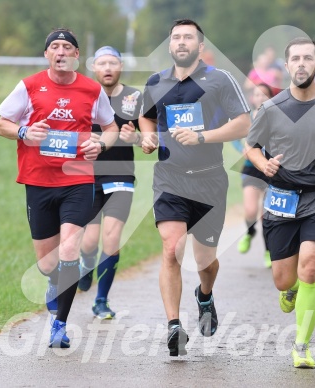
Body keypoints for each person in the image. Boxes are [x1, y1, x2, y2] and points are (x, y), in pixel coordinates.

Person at [0, 28, 119, 348]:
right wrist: (23, 132)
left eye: (67, 47)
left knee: (68, 250)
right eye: (55, 47)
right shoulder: (29, 86)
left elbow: (111, 128)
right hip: (38, 180)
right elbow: (1, 124)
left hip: (77, 178)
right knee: (47, 262)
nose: (61, 51)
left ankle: (59, 326)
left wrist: (100, 145)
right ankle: (57, 279)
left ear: (77, 56)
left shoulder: (92, 90)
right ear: (47, 55)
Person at [139, 19, 251, 356]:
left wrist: (203, 136)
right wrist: (147, 134)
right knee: (172, 249)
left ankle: (205, 295)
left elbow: (243, 123)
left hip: (209, 178)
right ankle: (174, 326)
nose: (182, 42)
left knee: (206, 261)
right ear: (170, 45)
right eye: (176, 37)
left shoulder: (219, 80)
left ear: (200, 47)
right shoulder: (156, 81)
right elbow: (146, 115)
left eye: (189, 37)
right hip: (170, 178)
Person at [246, 37, 315, 368]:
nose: (302, 63)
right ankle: (289, 288)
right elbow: (251, 146)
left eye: (309, 58)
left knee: (310, 264)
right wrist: (263, 164)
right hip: (280, 200)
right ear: (287, 65)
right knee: (283, 278)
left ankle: (302, 345)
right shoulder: (271, 109)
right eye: (296, 58)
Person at [77, 46, 143, 320]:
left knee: (111, 239)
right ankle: (86, 263)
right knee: (89, 241)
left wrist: (135, 139)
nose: (107, 68)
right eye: (102, 63)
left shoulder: (134, 97)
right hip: (88, 174)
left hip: (121, 174)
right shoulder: (83, 94)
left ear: (120, 67)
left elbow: (147, 137)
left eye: (113, 63)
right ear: (94, 67)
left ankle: (101, 300)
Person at [232, 83, 274, 268]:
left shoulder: (277, 117)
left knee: (267, 214)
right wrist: (241, 148)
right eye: (257, 94)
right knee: (250, 211)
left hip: (271, 170)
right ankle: (250, 232)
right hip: (251, 168)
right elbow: (234, 135)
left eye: (265, 95)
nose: (261, 98)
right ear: (252, 98)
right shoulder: (246, 118)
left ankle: (268, 251)